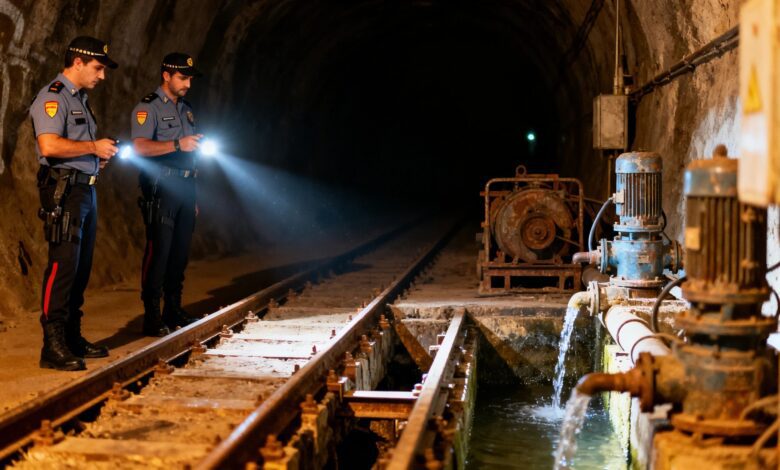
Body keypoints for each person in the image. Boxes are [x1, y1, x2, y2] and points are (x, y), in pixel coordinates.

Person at [30, 36, 118, 371]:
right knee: (63, 265)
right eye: (98, 68)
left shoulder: (79, 98)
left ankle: (71, 336)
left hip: (85, 189)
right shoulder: (53, 97)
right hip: (64, 191)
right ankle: (52, 345)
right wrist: (93, 148)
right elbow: (49, 146)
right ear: (77, 62)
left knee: (81, 267)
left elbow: (75, 146)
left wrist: (95, 159)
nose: (102, 76)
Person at [131, 53, 203, 336]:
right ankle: (152, 316)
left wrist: (194, 196)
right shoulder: (148, 107)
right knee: (159, 251)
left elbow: (192, 152)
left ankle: (173, 309)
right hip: (162, 186)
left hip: (186, 186)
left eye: (190, 79)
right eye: (183, 78)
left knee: (180, 252)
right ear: (166, 76)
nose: (188, 84)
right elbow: (139, 147)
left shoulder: (186, 108)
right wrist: (176, 145)